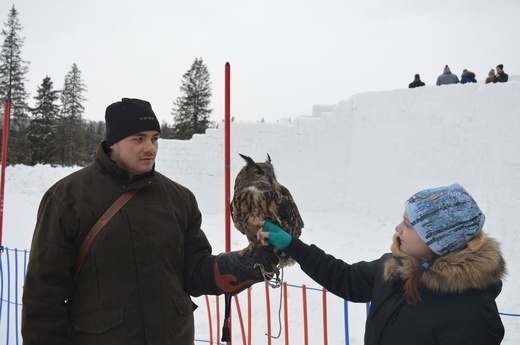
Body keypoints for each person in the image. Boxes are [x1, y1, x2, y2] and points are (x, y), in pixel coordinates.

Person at [21, 98, 277, 345]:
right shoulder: (68, 198)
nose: (150, 147)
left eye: (155, 138)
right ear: (113, 142)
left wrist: (243, 265)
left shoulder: (179, 199)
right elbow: (44, 296)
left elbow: (195, 270)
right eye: (138, 139)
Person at [256, 183, 506, 345]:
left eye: (409, 225)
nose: (398, 228)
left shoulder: (473, 312)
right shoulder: (396, 267)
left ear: (440, 240)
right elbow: (347, 279)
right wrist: (293, 245)